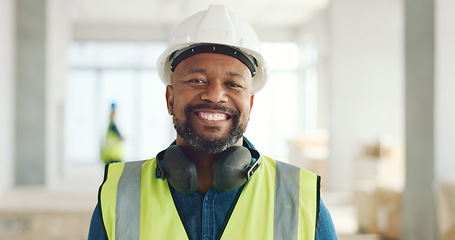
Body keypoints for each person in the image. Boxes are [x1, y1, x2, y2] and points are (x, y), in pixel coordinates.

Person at [88, 5, 337, 240]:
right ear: (170, 98)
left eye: (233, 84)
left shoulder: (300, 199)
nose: (215, 95)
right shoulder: (119, 195)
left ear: (250, 104)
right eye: (197, 80)